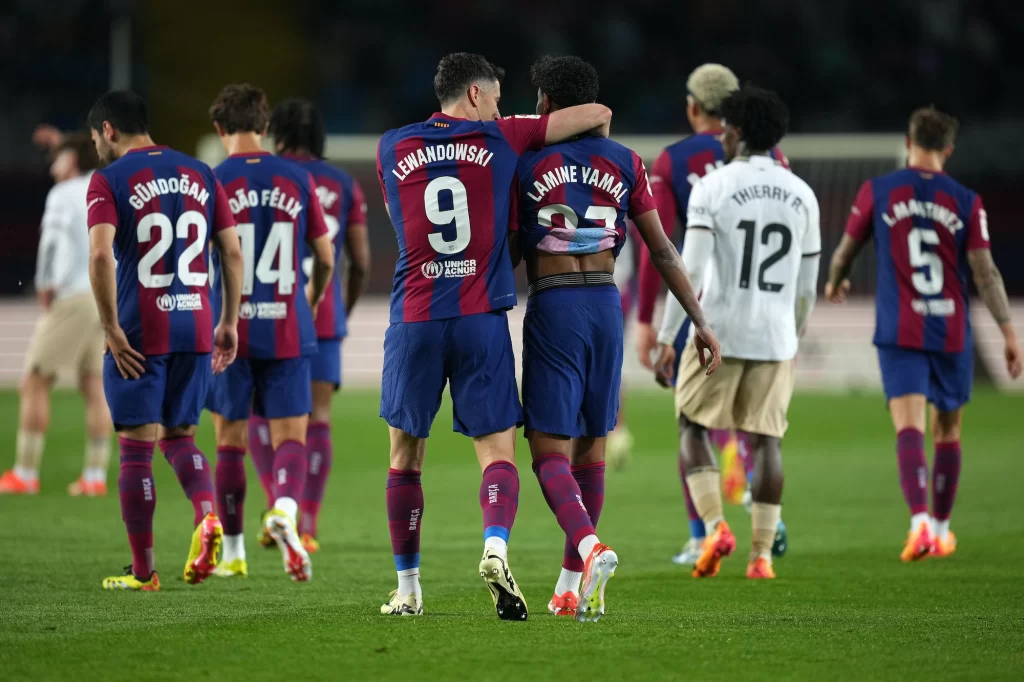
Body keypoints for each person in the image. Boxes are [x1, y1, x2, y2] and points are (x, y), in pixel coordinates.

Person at [375, 52, 613, 620]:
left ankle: (408, 591)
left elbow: (401, 221)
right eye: (499, 98)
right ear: (477, 96)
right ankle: (495, 547)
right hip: (480, 316)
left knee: (405, 459)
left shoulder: (392, 146)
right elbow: (594, 113)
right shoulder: (500, 136)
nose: (503, 108)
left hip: (415, 314)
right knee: (497, 453)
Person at [515, 56, 721, 621]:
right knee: (593, 451)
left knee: (546, 451)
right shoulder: (627, 161)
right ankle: (566, 587)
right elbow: (662, 249)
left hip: (555, 303)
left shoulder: (529, 162)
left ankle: (590, 549)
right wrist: (699, 322)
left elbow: (506, 247)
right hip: (608, 305)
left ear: (549, 106)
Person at [825, 106, 1022, 561]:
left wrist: (836, 282)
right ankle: (942, 528)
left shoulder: (879, 190)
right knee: (948, 431)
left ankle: (918, 526)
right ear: (948, 150)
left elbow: (846, 251)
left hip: (901, 327)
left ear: (909, 142)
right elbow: (986, 272)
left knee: (909, 426)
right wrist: (1009, 333)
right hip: (951, 327)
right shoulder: (967, 200)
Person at [654, 85, 820, 580]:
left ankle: (713, 527)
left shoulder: (715, 186)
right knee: (767, 439)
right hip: (774, 335)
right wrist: (793, 334)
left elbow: (692, 269)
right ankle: (762, 556)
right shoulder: (803, 193)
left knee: (691, 423)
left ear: (740, 131)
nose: (720, 135)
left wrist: (669, 335)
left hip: (718, 333)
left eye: (726, 127)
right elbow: (806, 287)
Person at [85, 90, 243, 591]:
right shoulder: (202, 172)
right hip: (196, 322)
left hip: (140, 327)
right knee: (180, 438)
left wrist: (110, 327)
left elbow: (99, 256)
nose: (96, 149)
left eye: (95, 139)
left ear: (108, 130)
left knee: (136, 450)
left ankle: (144, 571)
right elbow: (232, 254)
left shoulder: (107, 180)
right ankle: (207, 514)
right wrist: (228, 321)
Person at [635, 64, 789, 565]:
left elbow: (656, 246)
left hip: (701, 309)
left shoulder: (674, 160)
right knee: (758, 423)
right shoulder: (777, 160)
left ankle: (704, 532)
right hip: (766, 311)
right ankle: (758, 503)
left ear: (693, 107)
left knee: (691, 418)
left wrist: (647, 321)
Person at [204, 85, 335, 582]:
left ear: (219, 130)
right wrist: (313, 299)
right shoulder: (297, 178)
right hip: (287, 321)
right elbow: (325, 258)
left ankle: (234, 552)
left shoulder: (213, 179)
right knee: (291, 437)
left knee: (230, 442)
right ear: (263, 126)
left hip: (230, 327)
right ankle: (284, 507)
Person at [246, 97, 371, 555]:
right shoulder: (340, 183)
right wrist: (342, 309)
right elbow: (360, 261)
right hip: (321, 317)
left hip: (264, 310)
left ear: (275, 135)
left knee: (261, 414)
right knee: (317, 420)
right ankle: (307, 522)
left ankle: (275, 508)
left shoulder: (262, 177)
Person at [1, 133, 112, 497]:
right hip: (103, 297)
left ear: (74, 160)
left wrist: (44, 283)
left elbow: (51, 243)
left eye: (59, 159)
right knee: (95, 386)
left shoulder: (62, 195)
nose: (53, 167)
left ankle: (25, 472)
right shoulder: (104, 188)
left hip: (72, 296)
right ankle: (95, 476)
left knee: (34, 379)